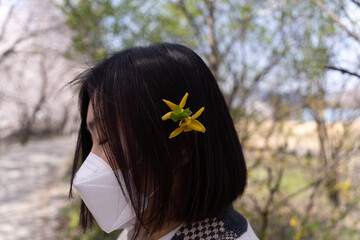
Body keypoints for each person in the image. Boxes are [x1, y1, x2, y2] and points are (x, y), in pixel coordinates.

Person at [67, 42, 259, 240]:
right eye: (93, 140)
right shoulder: (144, 227)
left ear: (179, 148)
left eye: (106, 139)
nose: (88, 168)